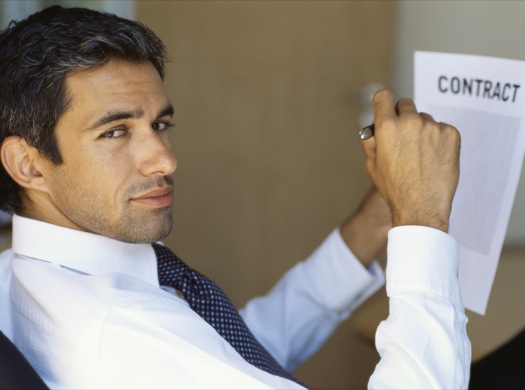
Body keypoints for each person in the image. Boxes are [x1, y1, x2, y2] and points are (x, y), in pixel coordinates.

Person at [0, 5, 470, 389]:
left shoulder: (23, 270)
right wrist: (422, 219)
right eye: (115, 132)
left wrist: (376, 222)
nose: (164, 160)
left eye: (159, 125)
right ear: (27, 164)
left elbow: (231, 349)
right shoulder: (119, 329)